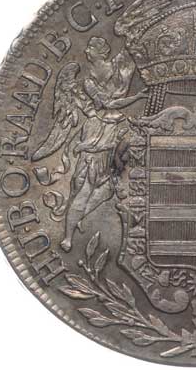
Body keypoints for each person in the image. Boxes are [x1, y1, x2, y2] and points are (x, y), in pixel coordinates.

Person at [60, 37, 148, 252]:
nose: (86, 51)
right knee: (86, 187)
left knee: (107, 189)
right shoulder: (88, 82)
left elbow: (131, 50)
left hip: (114, 126)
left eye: (90, 48)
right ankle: (68, 237)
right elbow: (107, 104)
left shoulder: (119, 66)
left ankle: (80, 217)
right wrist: (137, 97)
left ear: (101, 51)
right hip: (97, 129)